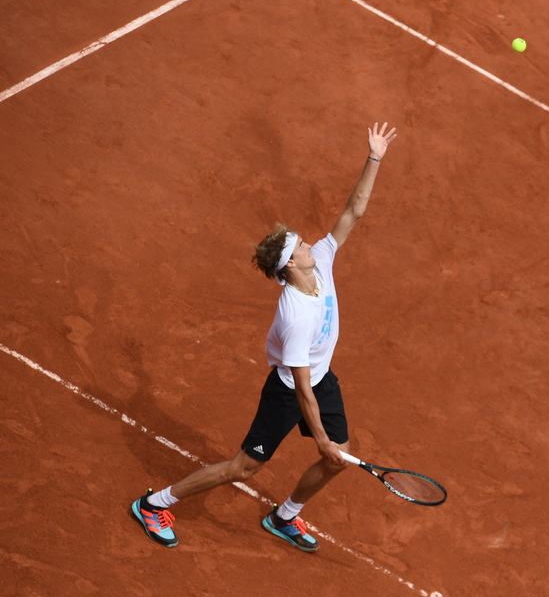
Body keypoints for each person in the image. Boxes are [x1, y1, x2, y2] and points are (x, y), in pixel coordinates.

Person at [131, 122, 397, 552]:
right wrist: (322, 440)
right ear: (289, 268)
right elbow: (303, 390)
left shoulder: (320, 263)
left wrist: (375, 157)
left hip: (321, 377)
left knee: (339, 459)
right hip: (291, 391)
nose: (310, 245)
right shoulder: (295, 315)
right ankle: (153, 503)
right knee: (244, 468)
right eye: (300, 249)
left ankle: (284, 516)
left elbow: (353, 212)